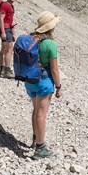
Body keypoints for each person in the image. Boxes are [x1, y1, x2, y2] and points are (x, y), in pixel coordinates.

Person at [26, 11, 62, 159]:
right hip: (44, 82)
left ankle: (35, 138)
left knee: (35, 111)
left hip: (30, 81)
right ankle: (40, 147)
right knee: (41, 114)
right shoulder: (50, 44)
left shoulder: (31, 38)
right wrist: (58, 86)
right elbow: (54, 69)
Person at [0, 0, 19, 78]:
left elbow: (11, 21)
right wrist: (3, 32)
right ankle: (7, 70)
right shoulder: (5, 5)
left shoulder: (11, 7)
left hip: (8, 29)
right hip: (5, 29)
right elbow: (1, 18)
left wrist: (13, 32)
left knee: (4, 48)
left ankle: (2, 70)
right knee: (9, 49)